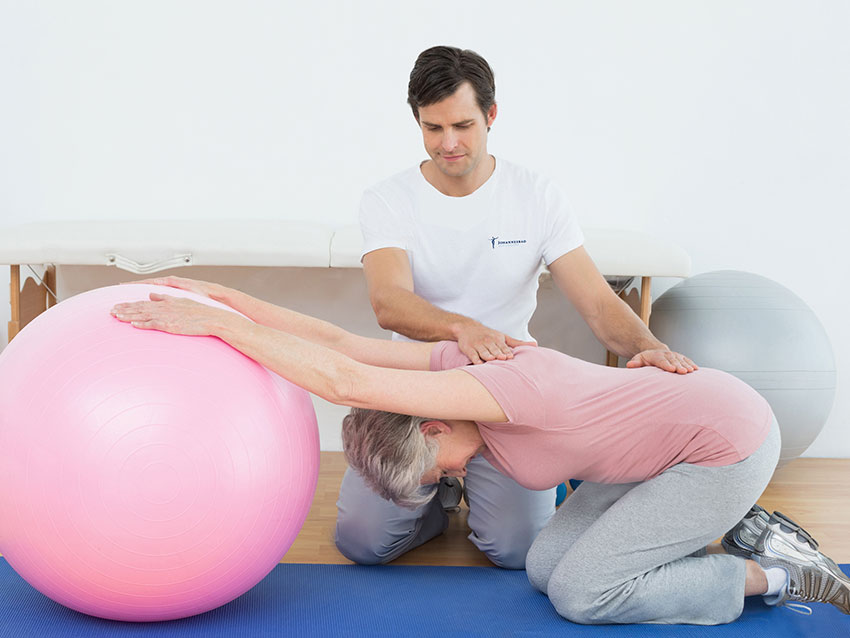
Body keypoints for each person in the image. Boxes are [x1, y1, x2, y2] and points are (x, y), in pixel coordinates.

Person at [111, 279, 849, 624]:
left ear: (431, 429)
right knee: (544, 568)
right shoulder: (459, 376)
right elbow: (335, 342)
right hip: (656, 454)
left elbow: (340, 378)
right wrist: (216, 297)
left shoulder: (500, 393)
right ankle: (755, 538)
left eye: (440, 471)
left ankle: (777, 574)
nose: (454, 479)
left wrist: (211, 330)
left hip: (723, 445)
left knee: (582, 594)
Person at [347, 44, 697, 568]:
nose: (448, 143)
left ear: (491, 115)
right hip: (417, 388)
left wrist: (652, 350)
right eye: (432, 127)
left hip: (507, 389)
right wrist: (462, 329)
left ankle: (529, 483)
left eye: (462, 125)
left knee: (516, 550)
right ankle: (441, 499)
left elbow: (599, 306)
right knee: (363, 544)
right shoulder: (387, 199)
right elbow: (389, 303)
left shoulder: (536, 196)